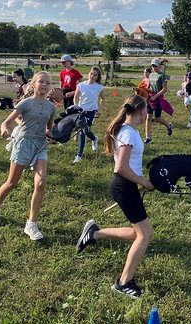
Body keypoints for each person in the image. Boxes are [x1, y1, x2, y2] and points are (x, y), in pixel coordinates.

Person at [76, 95, 155, 299]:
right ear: (140, 111)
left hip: (124, 186)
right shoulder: (128, 134)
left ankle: (94, 233)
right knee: (145, 234)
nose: (147, 114)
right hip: (124, 186)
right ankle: (123, 283)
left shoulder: (126, 130)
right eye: (146, 110)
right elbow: (121, 168)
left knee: (136, 234)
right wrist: (143, 181)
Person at [0, 71, 56, 241]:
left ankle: (31, 224)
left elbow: (48, 129)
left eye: (48, 82)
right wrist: (4, 130)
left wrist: (54, 136)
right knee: (12, 183)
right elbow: (6, 122)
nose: (45, 85)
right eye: (41, 81)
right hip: (23, 143)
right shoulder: (25, 103)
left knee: (40, 184)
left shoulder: (51, 107)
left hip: (40, 146)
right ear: (33, 84)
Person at [72, 66, 105, 163]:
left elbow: (103, 98)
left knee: (84, 130)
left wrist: (100, 109)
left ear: (97, 77)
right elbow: (76, 97)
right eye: (91, 73)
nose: (92, 76)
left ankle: (92, 140)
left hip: (91, 111)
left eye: (95, 75)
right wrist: (76, 107)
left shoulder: (99, 87)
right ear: (88, 73)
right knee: (83, 131)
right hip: (81, 111)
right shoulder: (81, 85)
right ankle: (80, 154)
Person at [144, 58, 172, 144]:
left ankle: (168, 126)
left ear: (159, 66)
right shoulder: (151, 75)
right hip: (150, 98)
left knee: (157, 118)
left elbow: (164, 89)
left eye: (155, 66)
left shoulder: (162, 75)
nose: (154, 67)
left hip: (158, 99)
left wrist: (155, 96)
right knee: (148, 117)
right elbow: (149, 86)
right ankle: (148, 137)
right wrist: (145, 94)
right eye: (152, 66)